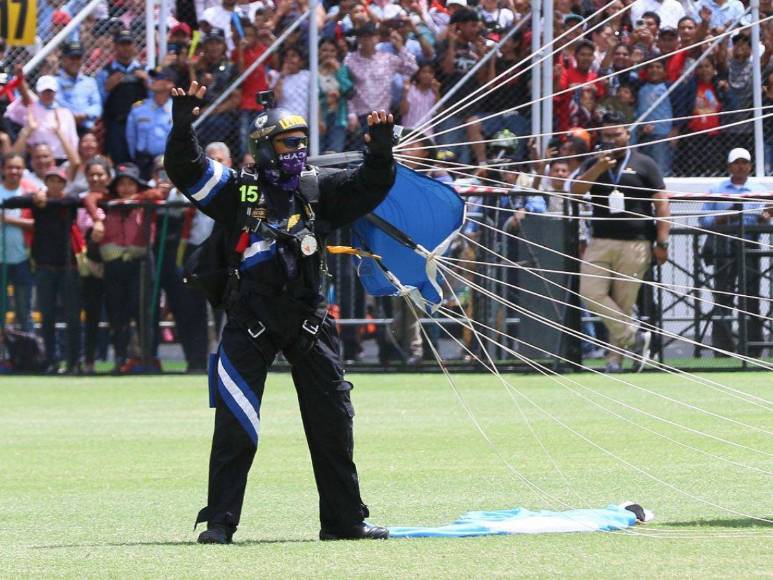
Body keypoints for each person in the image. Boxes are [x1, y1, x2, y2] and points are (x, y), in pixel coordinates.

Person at [164, 81, 395, 544]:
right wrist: (183, 126)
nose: (299, 150)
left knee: (333, 420)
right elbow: (187, 170)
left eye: (304, 142)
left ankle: (344, 520)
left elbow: (369, 187)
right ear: (264, 147)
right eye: (290, 142)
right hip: (250, 319)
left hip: (310, 319)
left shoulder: (319, 188)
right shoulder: (238, 191)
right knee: (235, 422)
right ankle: (220, 522)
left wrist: (380, 151)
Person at [571, 112, 671, 373]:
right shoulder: (594, 162)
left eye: (617, 134)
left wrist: (663, 242)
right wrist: (598, 169)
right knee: (590, 292)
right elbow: (575, 191)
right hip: (601, 241)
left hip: (636, 243)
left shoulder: (645, 163)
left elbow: (662, 204)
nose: (612, 140)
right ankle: (634, 338)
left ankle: (614, 360)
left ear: (628, 134)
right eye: (607, 135)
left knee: (623, 304)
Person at [4, 167, 82, 373]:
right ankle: (49, 361)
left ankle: (75, 361)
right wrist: (35, 197)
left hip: (68, 266)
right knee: (47, 318)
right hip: (44, 267)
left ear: (64, 185)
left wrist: (46, 201)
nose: (55, 185)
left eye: (59, 182)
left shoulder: (69, 201)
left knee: (72, 316)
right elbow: (12, 203)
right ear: (45, 184)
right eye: (51, 181)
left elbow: (74, 200)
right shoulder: (37, 202)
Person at [698, 148, 771, 356]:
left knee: (751, 298)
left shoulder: (759, 188)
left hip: (749, 247)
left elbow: (764, 217)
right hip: (723, 248)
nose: (740, 166)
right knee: (723, 298)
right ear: (729, 166)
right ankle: (723, 350)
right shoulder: (716, 189)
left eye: (744, 162)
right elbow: (704, 220)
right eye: (736, 163)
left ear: (750, 166)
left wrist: (765, 217)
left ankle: (753, 350)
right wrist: (726, 217)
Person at [96, 29, 148, 164]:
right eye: (122, 44)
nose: (125, 48)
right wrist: (107, 88)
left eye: (128, 44)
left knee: (141, 159)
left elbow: (156, 97)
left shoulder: (145, 70)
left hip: (141, 124)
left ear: (134, 46)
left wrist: (148, 82)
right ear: (115, 46)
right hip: (116, 125)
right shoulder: (105, 72)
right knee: (120, 161)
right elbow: (99, 102)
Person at [0, 154, 34, 332]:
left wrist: (8, 220)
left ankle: (29, 356)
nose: (14, 171)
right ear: (3, 169)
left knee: (24, 312)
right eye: (10, 167)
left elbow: (38, 225)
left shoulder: (30, 193)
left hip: (23, 259)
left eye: (18, 168)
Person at [125, 68, 175, 179]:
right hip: (143, 162)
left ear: (170, 84)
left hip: (168, 162)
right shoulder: (139, 108)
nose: (153, 80)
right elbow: (131, 138)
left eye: (159, 78)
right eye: (153, 77)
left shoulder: (177, 110)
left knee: (164, 191)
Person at [56, 41, 103, 134]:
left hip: (87, 129)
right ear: (63, 59)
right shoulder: (54, 82)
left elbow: (97, 106)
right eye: (72, 58)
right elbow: (58, 104)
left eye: (78, 58)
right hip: (64, 129)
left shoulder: (90, 82)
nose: (75, 61)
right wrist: (73, 116)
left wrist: (84, 115)